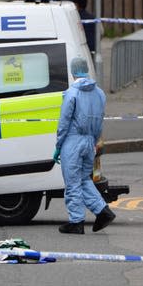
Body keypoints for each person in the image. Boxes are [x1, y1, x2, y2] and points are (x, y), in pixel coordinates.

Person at [53, 57, 116, 234]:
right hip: (89, 141)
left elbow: (64, 122)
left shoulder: (71, 93)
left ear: (73, 72)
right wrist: (94, 141)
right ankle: (103, 211)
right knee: (83, 180)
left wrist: (58, 146)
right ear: (86, 70)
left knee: (72, 182)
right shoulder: (99, 94)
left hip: (72, 142)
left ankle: (76, 222)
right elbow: (100, 121)